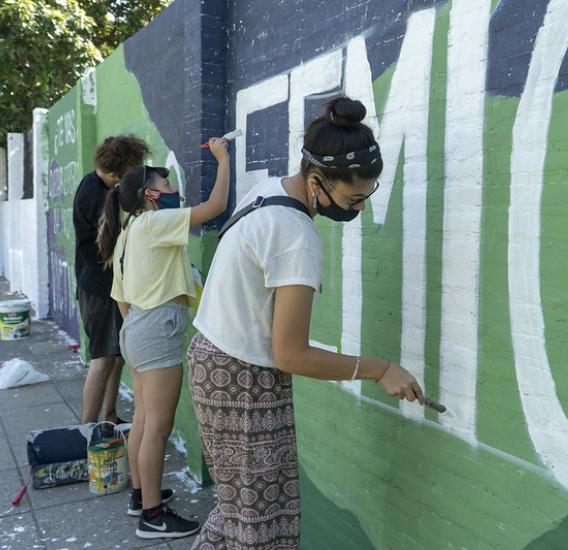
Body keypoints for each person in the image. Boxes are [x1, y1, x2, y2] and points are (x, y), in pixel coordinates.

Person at [187, 96, 425, 549]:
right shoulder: (296, 235)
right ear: (317, 180)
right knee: (262, 527)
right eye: (352, 198)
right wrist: (379, 368)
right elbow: (291, 354)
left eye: (366, 196)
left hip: (212, 361)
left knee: (235, 513)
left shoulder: (268, 189)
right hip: (243, 380)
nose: (357, 209)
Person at [96, 138, 231, 539]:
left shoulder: (128, 231)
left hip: (136, 326)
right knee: (157, 425)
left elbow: (120, 299)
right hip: (157, 328)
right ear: (151, 195)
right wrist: (223, 161)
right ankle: (153, 517)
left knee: (142, 419)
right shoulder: (154, 222)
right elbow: (216, 207)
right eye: (169, 188)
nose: (177, 194)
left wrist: (145, 325)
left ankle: (141, 496)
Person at [73, 135, 149, 425]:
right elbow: (104, 250)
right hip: (99, 290)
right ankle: (88, 429)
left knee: (114, 356)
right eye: (133, 168)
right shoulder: (95, 196)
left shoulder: (96, 184)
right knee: (103, 358)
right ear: (118, 171)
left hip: (101, 287)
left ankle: (109, 416)